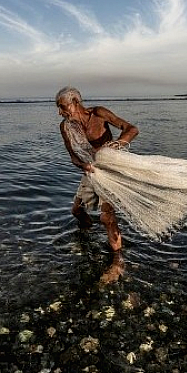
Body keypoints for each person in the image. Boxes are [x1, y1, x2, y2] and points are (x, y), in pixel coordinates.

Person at [56, 86, 138, 284]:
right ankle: (85, 235)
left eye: (62, 107)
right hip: (90, 171)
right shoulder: (65, 126)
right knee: (76, 211)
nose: (60, 112)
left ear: (75, 102)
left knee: (107, 216)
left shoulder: (99, 113)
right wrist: (83, 165)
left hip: (110, 170)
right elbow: (73, 157)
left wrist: (116, 145)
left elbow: (131, 129)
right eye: (58, 109)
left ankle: (118, 261)